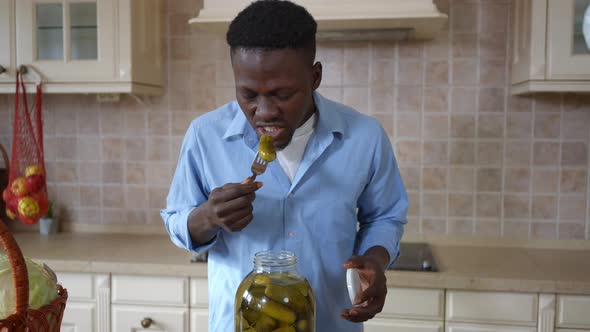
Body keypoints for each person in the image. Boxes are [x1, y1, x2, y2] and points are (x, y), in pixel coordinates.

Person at [161, 0, 408, 331]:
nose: (264, 112)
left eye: (282, 94)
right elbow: (176, 220)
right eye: (248, 95)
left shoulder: (365, 137)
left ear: (315, 76)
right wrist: (207, 217)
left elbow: (385, 216)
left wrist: (375, 260)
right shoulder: (205, 136)